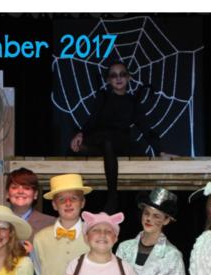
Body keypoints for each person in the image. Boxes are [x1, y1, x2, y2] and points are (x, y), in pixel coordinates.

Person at [69, 61, 164, 213]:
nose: (118, 78)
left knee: (110, 144)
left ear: (129, 77)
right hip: (100, 139)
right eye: (113, 75)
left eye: (122, 74)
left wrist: (159, 150)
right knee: (80, 147)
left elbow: (145, 128)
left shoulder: (133, 102)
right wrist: (80, 134)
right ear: (108, 80)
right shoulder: (103, 97)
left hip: (120, 142)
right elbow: (92, 120)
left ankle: (112, 197)